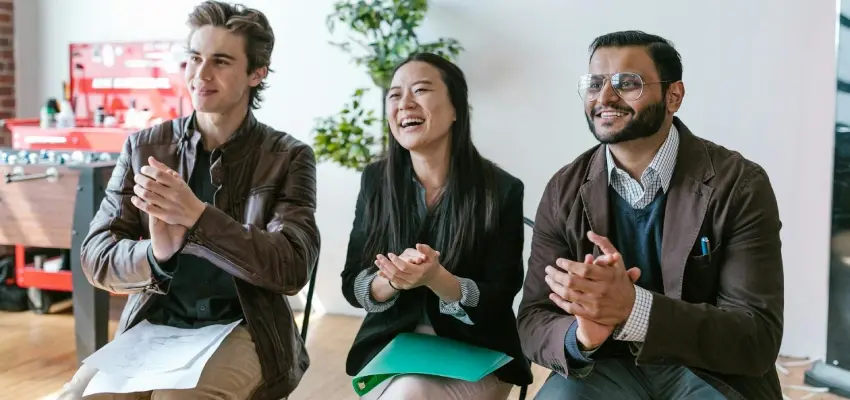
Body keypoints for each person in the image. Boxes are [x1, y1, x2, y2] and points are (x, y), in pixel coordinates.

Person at [58, 1, 320, 399]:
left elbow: (292, 266)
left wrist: (199, 218)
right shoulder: (144, 147)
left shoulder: (288, 156)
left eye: (221, 61)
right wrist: (156, 254)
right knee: (78, 397)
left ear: (257, 73)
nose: (201, 74)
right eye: (195, 58)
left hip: (244, 326)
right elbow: (96, 255)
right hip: (155, 324)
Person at [517, 30, 784, 399]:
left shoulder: (738, 184)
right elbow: (533, 319)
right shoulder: (564, 188)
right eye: (594, 83)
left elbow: (756, 335)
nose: (605, 97)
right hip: (604, 364)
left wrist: (633, 309)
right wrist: (581, 336)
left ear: (673, 96)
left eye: (627, 83)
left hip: (708, 370)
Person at [340, 52, 534, 399]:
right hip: (393, 347)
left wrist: (437, 278)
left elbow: (500, 295)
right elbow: (352, 283)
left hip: (477, 350)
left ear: (456, 108)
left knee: (409, 395)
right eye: (395, 94)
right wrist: (390, 281)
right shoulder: (375, 180)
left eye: (420, 90)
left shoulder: (502, 189)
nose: (404, 103)